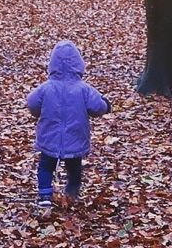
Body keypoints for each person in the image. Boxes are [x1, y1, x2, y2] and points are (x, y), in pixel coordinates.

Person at [26, 40, 110, 216]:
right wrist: (106, 105)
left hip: (50, 137)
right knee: (74, 169)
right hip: (75, 137)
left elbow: (32, 104)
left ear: (52, 64)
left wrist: (38, 112)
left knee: (45, 167)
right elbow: (97, 107)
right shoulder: (84, 89)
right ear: (78, 64)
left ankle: (45, 199)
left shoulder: (46, 88)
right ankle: (71, 194)